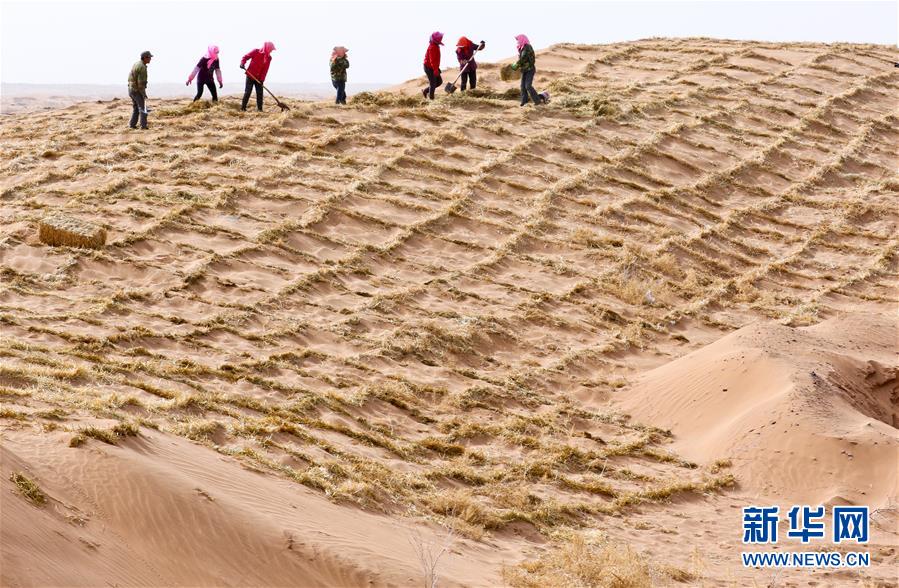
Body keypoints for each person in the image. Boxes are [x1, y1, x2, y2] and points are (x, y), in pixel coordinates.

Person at [240, 41, 276, 111]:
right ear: (267, 48)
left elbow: (265, 69)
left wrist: (262, 79)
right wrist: (242, 63)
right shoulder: (256, 51)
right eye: (271, 49)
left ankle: (260, 110)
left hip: (259, 78)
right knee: (248, 92)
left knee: (260, 94)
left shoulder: (269, 58)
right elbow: (245, 57)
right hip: (250, 75)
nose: (271, 51)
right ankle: (243, 108)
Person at [510, 34, 544, 106]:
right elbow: (521, 59)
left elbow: (524, 58)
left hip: (530, 69)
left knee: (528, 86)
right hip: (524, 69)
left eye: (518, 40)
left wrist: (517, 64)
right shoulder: (521, 48)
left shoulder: (527, 47)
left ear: (522, 39)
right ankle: (524, 101)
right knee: (522, 87)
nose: (517, 41)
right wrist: (518, 65)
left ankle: (537, 101)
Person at [127, 50, 153, 129]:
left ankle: (132, 125)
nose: (150, 59)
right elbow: (141, 83)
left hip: (131, 89)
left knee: (136, 108)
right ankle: (143, 126)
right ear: (145, 58)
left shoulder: (137, 64)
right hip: (136, 90)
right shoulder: (142, 67)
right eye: (149, 57)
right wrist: (143, 94)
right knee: (143, 109)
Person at [422, 32, 443, 100]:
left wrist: (436, 68)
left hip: (434, 67)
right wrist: (435, 69)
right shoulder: (432, 47)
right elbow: (432, 60)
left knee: (439, 81)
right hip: (429, 67)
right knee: (433, 83)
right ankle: (431, 99)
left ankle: (425, 91)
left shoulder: (435, 45)